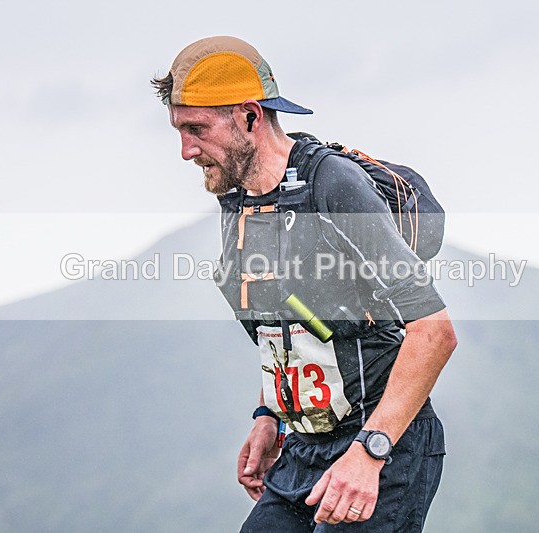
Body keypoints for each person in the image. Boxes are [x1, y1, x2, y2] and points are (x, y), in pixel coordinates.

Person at [153, 36, 457, 532]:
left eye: (196, 129)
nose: (186, 150)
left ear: (249, 117)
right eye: (179, 131)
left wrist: (370, 453)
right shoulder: (239, 202)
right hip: (303, 450)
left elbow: (434, 332)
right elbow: (290, 319)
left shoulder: (332, 184)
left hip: (381, 447)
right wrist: (268, 415)